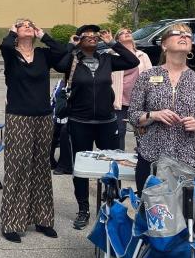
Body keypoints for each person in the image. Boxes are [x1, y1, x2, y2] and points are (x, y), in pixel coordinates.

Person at [57, 24, 140, 230]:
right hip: (80, 122)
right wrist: (70, 46)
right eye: (88, 35)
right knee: (81, 169)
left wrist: (113, 43)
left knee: (112, 166)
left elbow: (133, 60)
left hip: (106, 121)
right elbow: (59, 65)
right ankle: (83, 209)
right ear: (80, 39)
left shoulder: (107, 59)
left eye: (96, 35)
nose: (93, 37)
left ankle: (112, 206)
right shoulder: (73, 61)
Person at [0, 19, 69, 243]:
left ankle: (43, 219)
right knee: (17, 168)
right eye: (22, 24)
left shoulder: (42, 55)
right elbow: (6, 46)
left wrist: (43, 35)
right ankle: (12, 222)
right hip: (19, 117)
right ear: (15, 31)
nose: (28, 26)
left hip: (43, 117)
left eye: (31, 24)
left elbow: (63, 55)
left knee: (40, 168)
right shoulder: (11, 55)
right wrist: (11, 33)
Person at [128, 22, 195, 189]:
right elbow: (133, 115)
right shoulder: (148, 76)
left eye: (188, 35)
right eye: (177, 33)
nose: (184, 36)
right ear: (164, 45)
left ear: (191, 47)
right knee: (154, 213)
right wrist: (153, 115)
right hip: (152, 159)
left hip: (192, 160)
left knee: (192, 213)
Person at [111, 28, 152, 151]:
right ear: (117, 40)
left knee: (141, 133)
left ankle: (143, 160)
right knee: (119, 133)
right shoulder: (112, 56)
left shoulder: (142, 55)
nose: (127, 33)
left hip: (140, 102)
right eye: (122, 33)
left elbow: (151, 76)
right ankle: (119, 160)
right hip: (119, 100)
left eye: (128, 31)